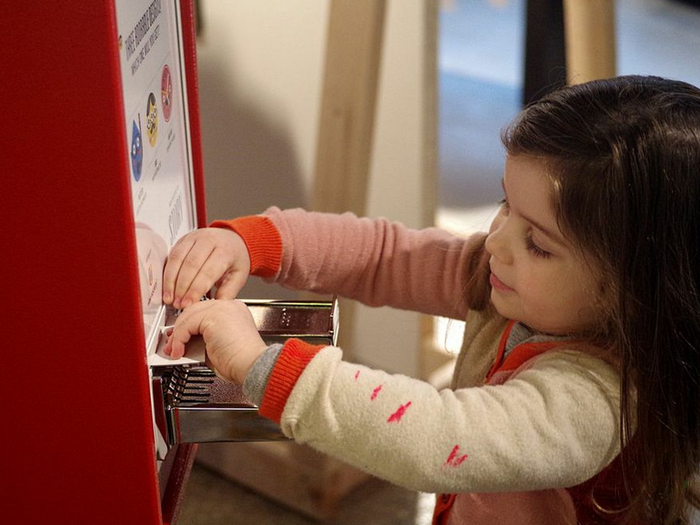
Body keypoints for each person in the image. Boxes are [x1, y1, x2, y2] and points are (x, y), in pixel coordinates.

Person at [162, 75, 700, 524]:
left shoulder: (597, 404)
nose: (497, 240)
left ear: (636, 292)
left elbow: (442, 439)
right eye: (506, 204)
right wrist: (254, 241)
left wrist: (260, 365)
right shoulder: (512, 278)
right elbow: (382, 255)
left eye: (537, 242)